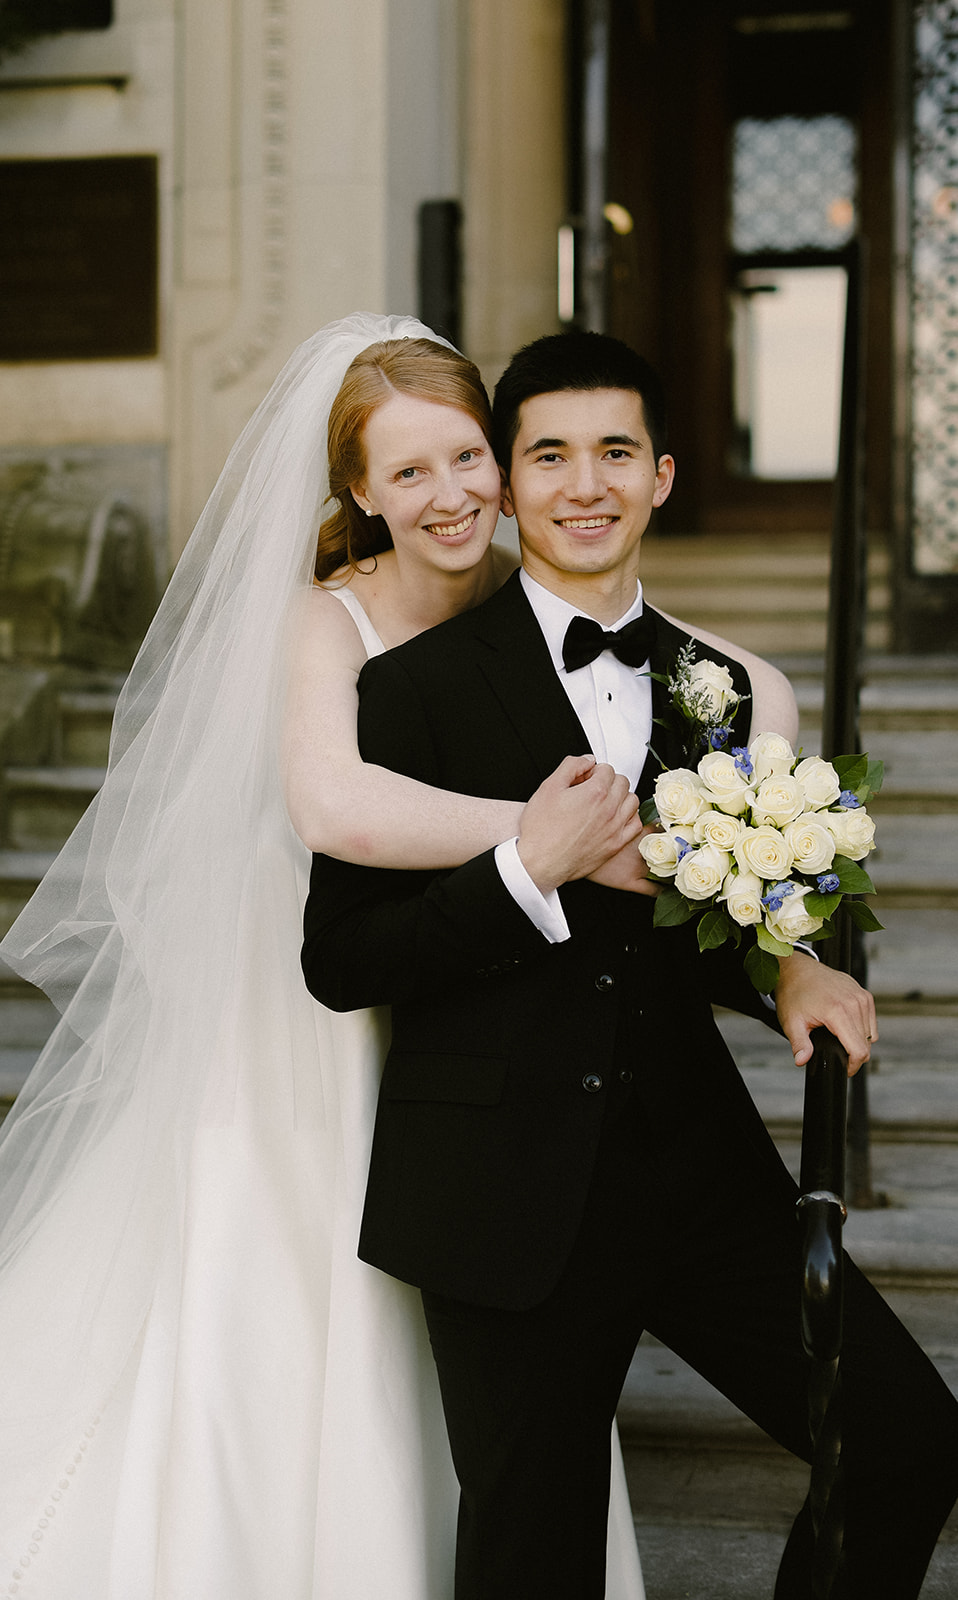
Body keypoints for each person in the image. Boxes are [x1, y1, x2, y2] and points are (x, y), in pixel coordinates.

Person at [0, 314, 653, 1599]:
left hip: (486, 996)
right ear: (358, 490)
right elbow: (332, 809)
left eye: (468, 458)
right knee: (311, 1261)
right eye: (408, 473)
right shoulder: (324, 622)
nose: (453, 496)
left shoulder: (538, 601)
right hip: (319, 997)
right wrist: (557, 839)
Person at [301, 329, 958, 1600]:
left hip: (700, 1174)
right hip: (500, 1188)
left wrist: (792, 969)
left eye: (613, 451)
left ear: (660, 476)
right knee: (528, 1553)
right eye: (548, 453)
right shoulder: (414, 688)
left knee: (905, 1442)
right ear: (506, 477)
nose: (582, 483)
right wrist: (522, 869)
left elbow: (741, 904)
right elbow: (343, 959)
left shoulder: (724, 687)